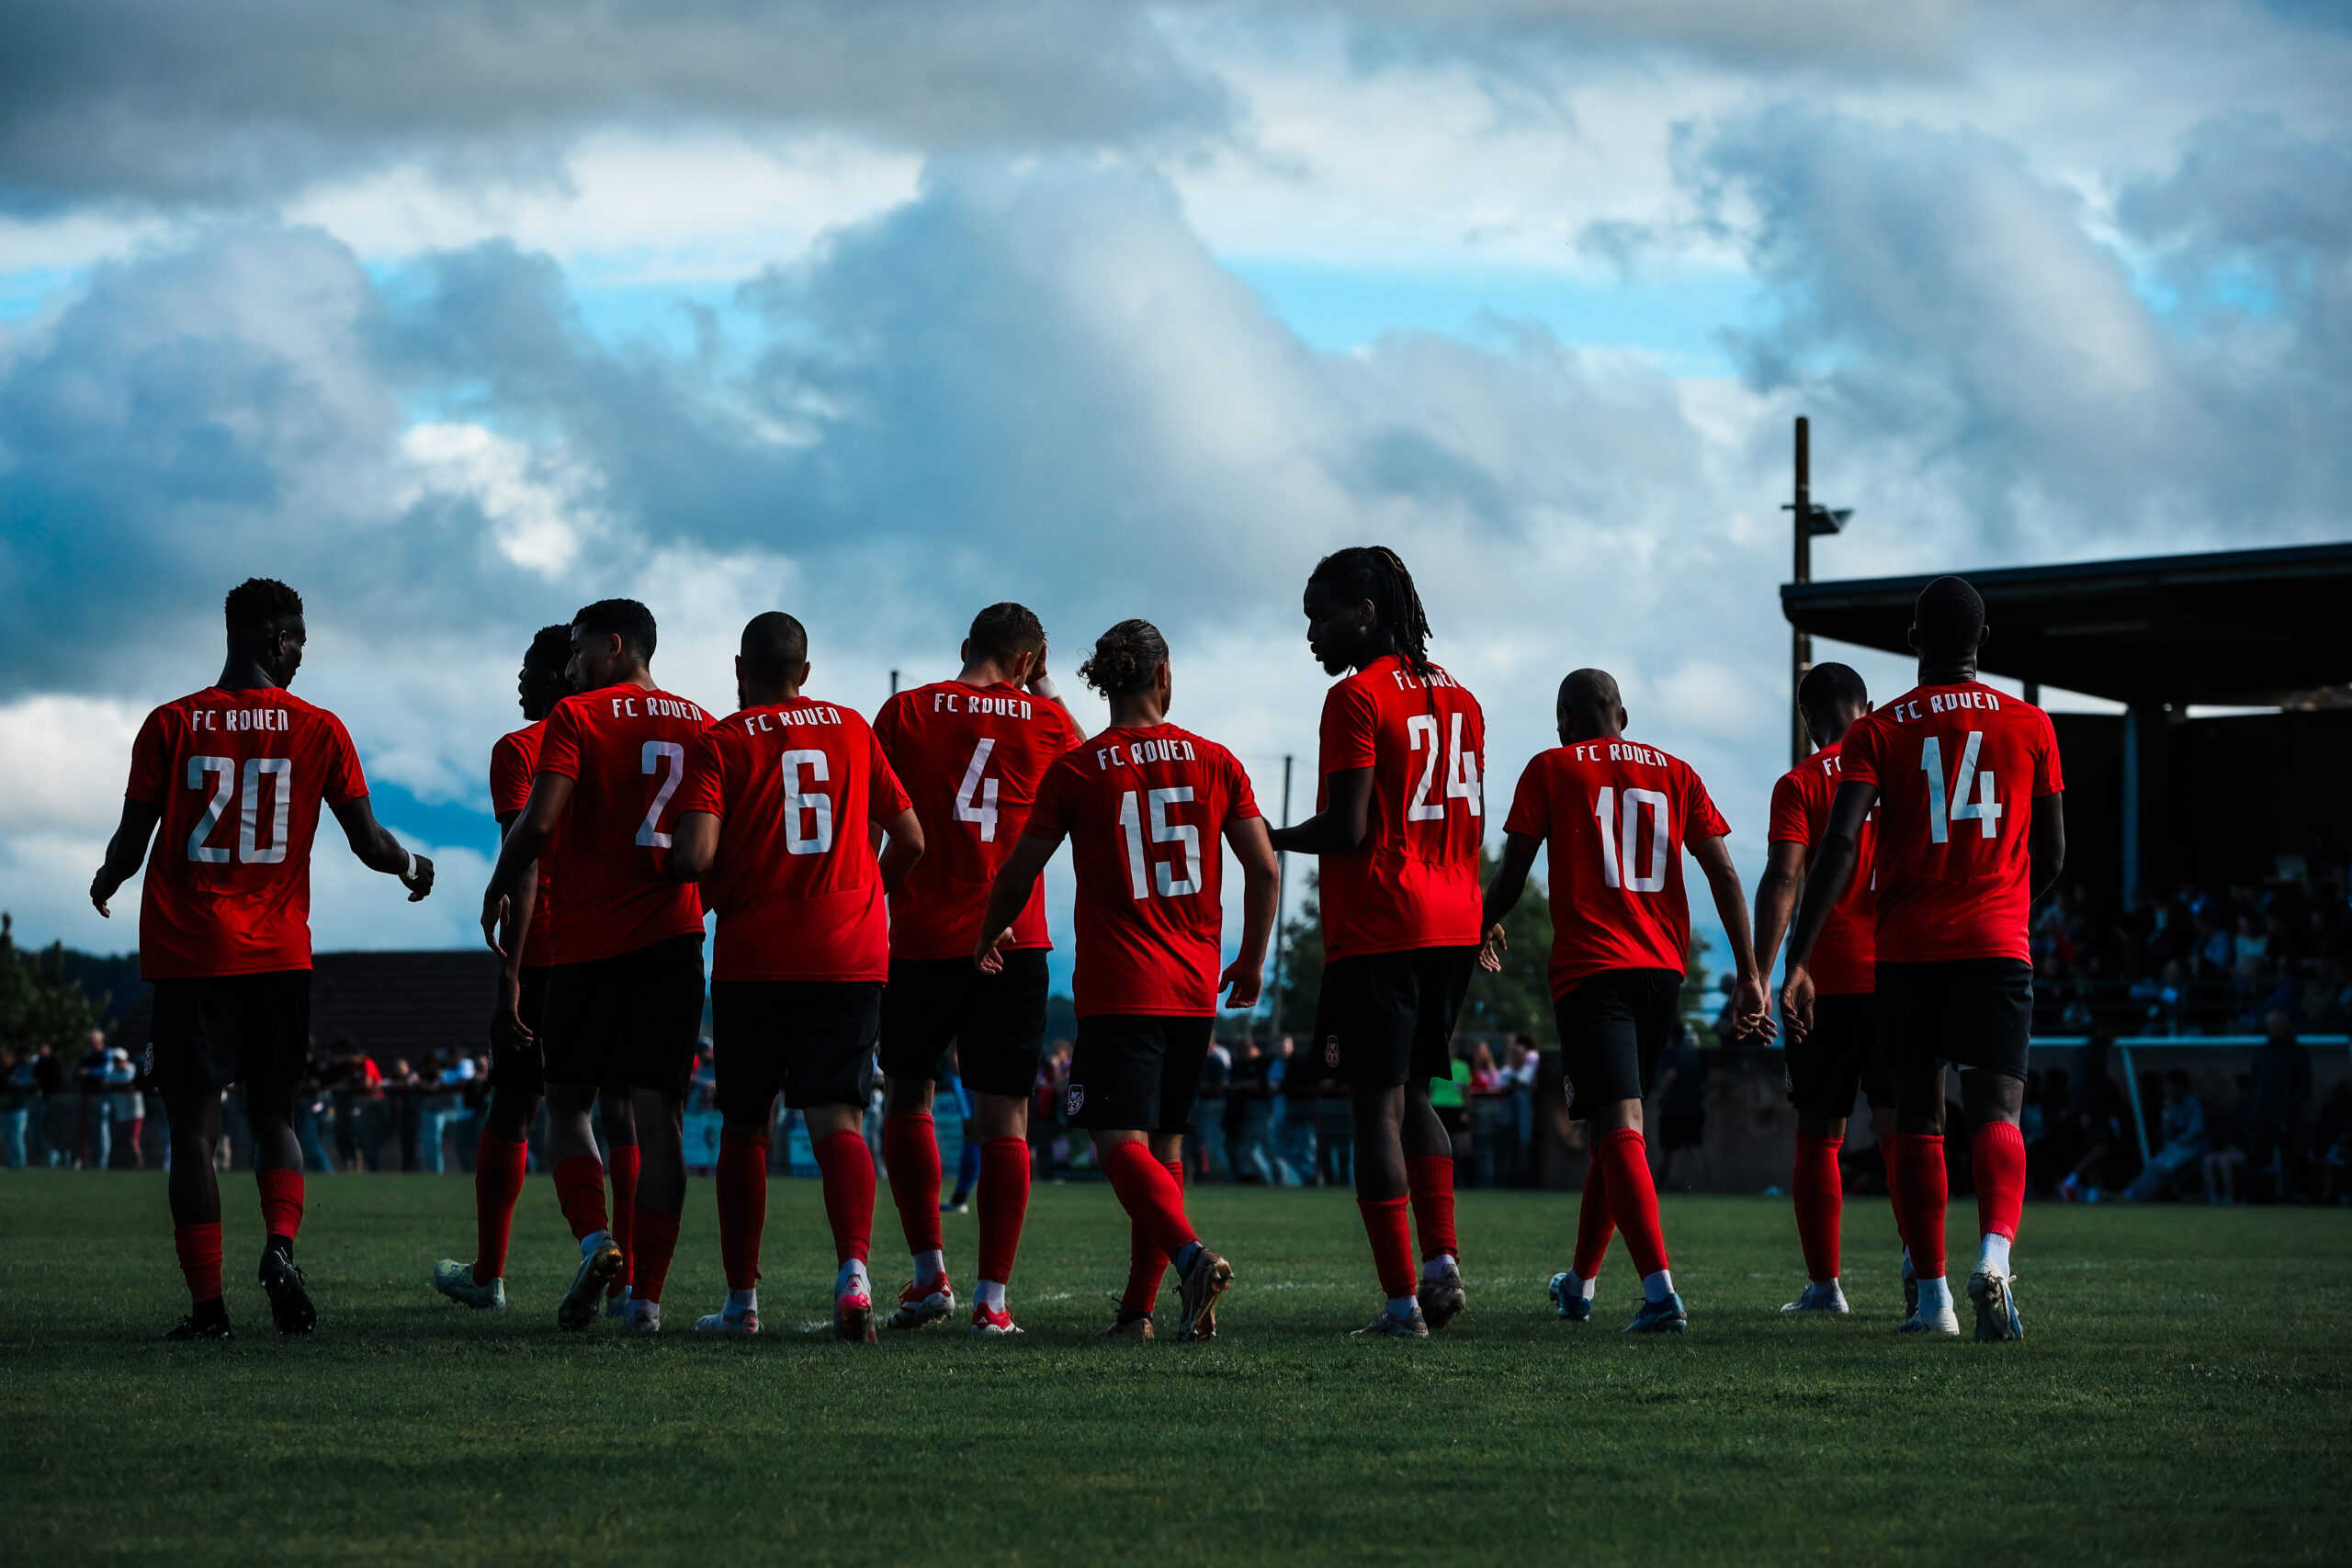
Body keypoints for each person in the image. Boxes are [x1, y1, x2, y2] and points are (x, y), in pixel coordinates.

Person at [87, 578, 435, 1341]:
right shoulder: (321, 728)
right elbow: (369, 843)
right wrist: (414, 866)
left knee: (192, 1134)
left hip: (190, 955)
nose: (302, 656)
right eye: (299, 643)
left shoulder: (169, 723)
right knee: (276, 1115)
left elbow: (131, 842)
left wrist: (106, 878)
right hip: (279, 955)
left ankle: (209, 1312)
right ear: (278, 641)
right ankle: (280, 1245)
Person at [972, 619, 1277, 1341]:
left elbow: (1019, 870)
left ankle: (1191, 1258)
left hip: (1121, 985)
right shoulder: (1218, 760)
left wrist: (988, 930)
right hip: (1194, 987)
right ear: (1163, 676)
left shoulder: (1079, 768)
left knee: (1116, 1143)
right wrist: (1252, 958)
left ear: (1107, 681)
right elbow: (1264, 867)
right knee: (1163, 1149)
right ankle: (1138, 1311)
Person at [1781, 576, 2065, 1341]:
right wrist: (2006, 904)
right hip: (1997, 942)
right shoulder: (2032, 723)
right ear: (1983, 640)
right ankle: (1996, 1255)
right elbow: (2053, 852)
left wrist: (1799, 957)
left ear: (1913, 641)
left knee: (1918, 1118)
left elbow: (1841, 844)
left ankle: (1934, 1299)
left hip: (1907, 949)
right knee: (1998, 1110)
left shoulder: (1880, 730)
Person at [1480, 668, 1770, 1335]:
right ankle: (1578, 1285)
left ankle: (1660, 1293)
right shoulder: (1678, 771)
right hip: (1662, 972)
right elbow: (1725, 873)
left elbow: (1513, 872)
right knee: (1614, 1132)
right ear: (1624, 715)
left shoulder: (1550, 767)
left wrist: (1478, 925)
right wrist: (1751, 972)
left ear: (1564, 720)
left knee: (1618, 1127)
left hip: (1592, 970)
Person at [667, 611, 925, 1340]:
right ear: (805, 672)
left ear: (740, 670)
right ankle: (855, 1275)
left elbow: (695, 855)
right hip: (849, 950)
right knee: (838, 1119)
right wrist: (866, 897)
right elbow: (911, 838)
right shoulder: (852, 727)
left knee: (746, 1125)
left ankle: (741, 1303)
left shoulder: (722, 740)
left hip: (756, 953)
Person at [1266, 547, 1484, 1339]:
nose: (1312, 634)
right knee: (1418, 1093)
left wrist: (1263, 833)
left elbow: (1349, 826)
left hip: (1383, 922)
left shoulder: (1355, 696)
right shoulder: (1463, 696)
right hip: (1454, 918)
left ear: (1366, 612)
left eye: (1321, 616)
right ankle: (1441, 1262)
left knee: (1374, 1111)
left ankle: (1401, 1305)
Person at [480, 598, 711, 1334]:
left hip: (589, 942)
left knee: (567, 1105)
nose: (571, 667)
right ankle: (646, 1300)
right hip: (674, 939)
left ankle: (594, 1238)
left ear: (615, 646)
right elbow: (711, 844)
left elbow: (540, 822)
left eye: (580, 651)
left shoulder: (576, 718)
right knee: (658, 1120)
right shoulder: (702, 722)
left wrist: (496, 883)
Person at [871, 603, 1085, 1336]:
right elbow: (1096, 762)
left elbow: (874, 822)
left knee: (909, 1098)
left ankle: (930, 1274)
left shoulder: (905, 711)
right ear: (1028, 661)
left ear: (967, 644)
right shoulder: (1046, 721)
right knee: (1006, 1120)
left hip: (921, 937)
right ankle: (992, 1298)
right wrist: (1043, 685)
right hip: (1015, 940)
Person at [435, 626, 586, 1311]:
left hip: (547, 950)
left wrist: (510, 977)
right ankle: (635, 1285)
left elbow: (522, 866)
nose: (519, 680)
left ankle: (488, 1274)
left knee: (515, 1108)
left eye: (529, 668)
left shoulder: (520, 748)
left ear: (559, 674)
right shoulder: (616, 740)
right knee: (621, 1110)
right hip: (611, 947)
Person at [1751, 660, 1906, 1315]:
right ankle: (1924, 1269)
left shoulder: (1800, 783)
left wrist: (1766, 972)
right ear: (1867, 707)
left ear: (1809, 718)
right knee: (1907, 1127)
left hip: (1826, 976)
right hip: (1902, 967)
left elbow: (1783, 879)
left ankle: (1825, 1287)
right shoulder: (1902, 772)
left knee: (1819, 1132)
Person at [2245, 1010, 2312, 1201]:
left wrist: (2290, 1109)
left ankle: (2289, 1197)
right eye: (2272, 1023)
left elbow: (2304, 1085)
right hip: (2262, 1113)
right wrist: (2256, 1105)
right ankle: (2254, 1197)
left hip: (2286, 1115)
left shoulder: (2297, 1051)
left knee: (2289, 1157)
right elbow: (2255, 1079)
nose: (2275, 1027)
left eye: (2278, 1023)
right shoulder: (2264, 1050)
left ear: (2287, 1024)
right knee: (2256, 1156)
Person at [2124, 1071, 2211, 1201]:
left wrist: (2176, 1144)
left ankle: (2135, 1195)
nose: (2165, 1090)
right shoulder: (2173, 1106)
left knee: (2163, 1168)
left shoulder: (2195, 1104)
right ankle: (2131, 1193)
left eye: (2168, 1086)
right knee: (2154, 1165)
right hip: (2177, 1147)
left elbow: (2195, 1133)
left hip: (2194, 1148)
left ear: (2179, 1086)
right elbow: (2168, 1134)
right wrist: (2166, 1113)